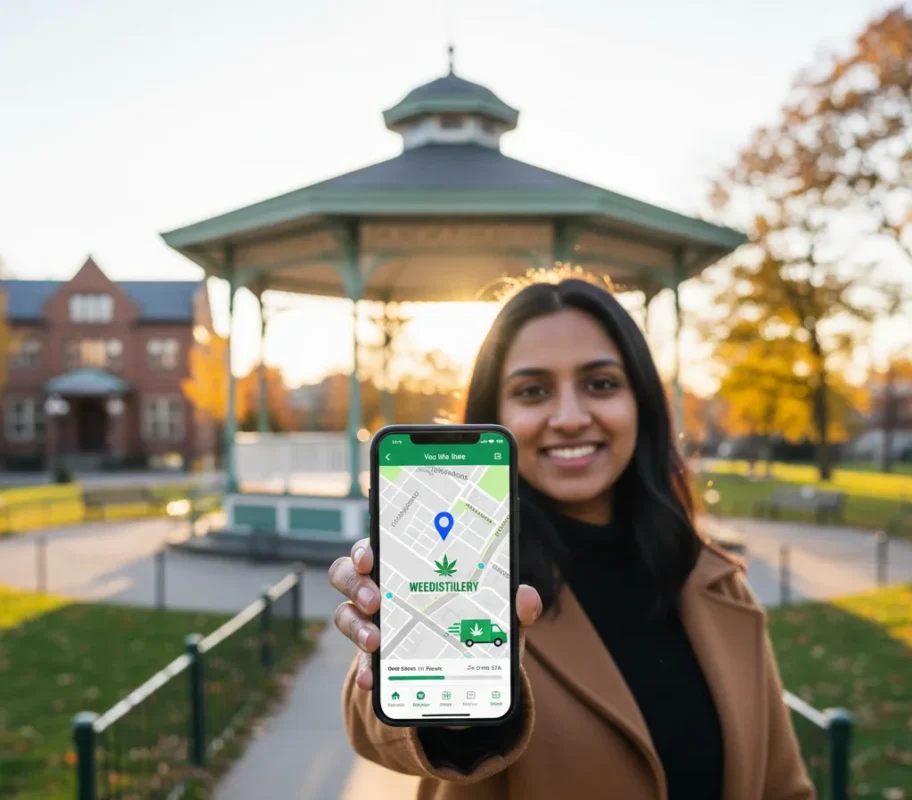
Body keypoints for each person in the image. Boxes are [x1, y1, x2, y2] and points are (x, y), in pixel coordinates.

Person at [329, 278, 813, 800]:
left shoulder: (717, 585)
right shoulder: (479, 583)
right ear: (497, 416)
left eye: (601, 384)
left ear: (641, 402)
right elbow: (387, 733)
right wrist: (426, 683)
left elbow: (784, 789)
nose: (569, 418)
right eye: (532, 391)